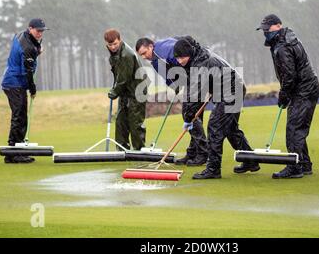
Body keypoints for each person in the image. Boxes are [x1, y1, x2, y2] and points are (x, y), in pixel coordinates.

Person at [173, 37, 253, 179]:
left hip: (231, 91)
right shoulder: (197, 58)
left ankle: (213, 169)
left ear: (190, 53)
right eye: (177, 58)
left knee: (215, 126)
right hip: (231, 88)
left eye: (182, 57)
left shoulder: (201, 63)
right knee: (230, 129)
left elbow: (196, 95)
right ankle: (250, 160)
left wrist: (189, 117)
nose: (180, 61)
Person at [256, 14, 319, 179]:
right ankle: (304, 164)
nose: (265, 33)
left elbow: (289, 75)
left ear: (278, 26)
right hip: (304, 88)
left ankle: (295, 167)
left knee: (294, 129)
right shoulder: (285, 39)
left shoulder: (283, 45)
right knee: (298, 127)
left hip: (303, 90)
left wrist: (284, 94)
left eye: (267, 29)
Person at [135, 36, 208, 166]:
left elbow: (184, 59)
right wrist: (175, 85)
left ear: (151, 46)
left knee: (189, 114)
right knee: (193, 117)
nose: (144, 57)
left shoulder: (164, 50)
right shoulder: (156, 56)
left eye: (144, 53)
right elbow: (169, 72)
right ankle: (193, 153)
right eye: (141, 55)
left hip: (197, 78)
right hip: (193, 79)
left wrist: (183, 81)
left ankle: (202, 153)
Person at [1, 18, 49, 164]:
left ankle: (14, 150)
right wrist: (32, 88)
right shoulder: (28, 47)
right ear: (30, 28)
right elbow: (27, 71)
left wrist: (36, 51)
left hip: (14, 81)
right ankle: (14, 153)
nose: (40, 33)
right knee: (19, 116)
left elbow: (30, 51)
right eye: (38, 30)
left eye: (42, 31)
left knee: (20, 116)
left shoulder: (21, 35)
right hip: (15, 82)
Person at [105, 28, 147, 151]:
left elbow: (124, 78)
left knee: (135, 122)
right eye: (110, 45)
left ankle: (139, 149)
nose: (113, 47)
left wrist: (114, 91)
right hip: (126, 91)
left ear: (120, 40)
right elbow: (118, 75)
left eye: (115, 44)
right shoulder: (115, 54)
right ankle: (121, 148)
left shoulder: (126, 55)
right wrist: (116, 88)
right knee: (120, 121)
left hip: (137, 91)